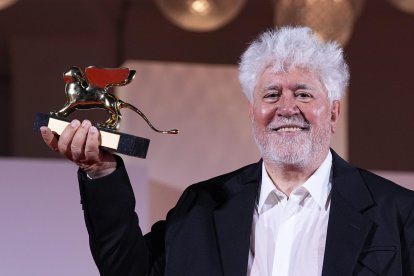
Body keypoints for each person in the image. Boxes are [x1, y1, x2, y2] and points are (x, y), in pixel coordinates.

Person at [41, 27, 414, 276]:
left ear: (333, 111)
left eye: (303, 93)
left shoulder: (399, 215)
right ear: (252, 112)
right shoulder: (201, 206)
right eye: (271, 94)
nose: (287, 108)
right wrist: (101, 172)